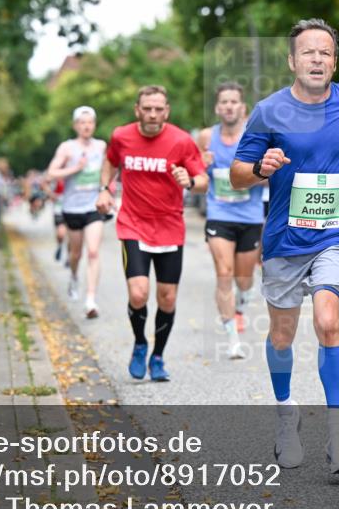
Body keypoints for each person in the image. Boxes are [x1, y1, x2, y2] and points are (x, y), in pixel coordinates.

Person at [230, 19, 339, 474]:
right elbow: (237, 173)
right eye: (308, 52)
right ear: (292, 61)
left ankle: (338, 436)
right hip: (285, 238)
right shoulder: (269, 112)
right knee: (282, 335)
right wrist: (261, 168)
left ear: (335, 61)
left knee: (328, 320)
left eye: (325, 53)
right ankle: (287, 414)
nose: (317, 60)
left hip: (335, 235)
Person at [96, 86, 208, 382]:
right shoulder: (121, 136)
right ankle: (139, 343)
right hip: (132, 223)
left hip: (170, 226)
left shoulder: (182, 141)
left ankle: (157, 356)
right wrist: (105, 189)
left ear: (166, 111)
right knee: (138, 292)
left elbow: (204, 181)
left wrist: (190, 180)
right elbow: (110, 160)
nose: (153, 114)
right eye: (147, 108)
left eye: (158, 109)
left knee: (167, 298)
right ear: (137, 110)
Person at [197, 82, 264, 360]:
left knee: (244, 279)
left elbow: (269, 171)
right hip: (219, 215)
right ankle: (232, 339)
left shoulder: (256, 135)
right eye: (223, 102)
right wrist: (200, 163)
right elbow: (196, 177)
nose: (228, 106)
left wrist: (251, 174)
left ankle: (241, 304)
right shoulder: (205, 137)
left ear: (243, 107)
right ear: (217, 107)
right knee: (224, 273)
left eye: (234, 101)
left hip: (250, 216)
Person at [46, 106, 109, 319]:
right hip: (72, 208)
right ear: (75, 126)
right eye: (82, 122)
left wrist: (107, 191)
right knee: (76, 254)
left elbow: (109, 170)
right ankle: (73, 275)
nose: (86, 126)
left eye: (90, 122)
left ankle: (91, 300)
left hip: (93, 207)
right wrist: (75, 169)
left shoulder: (101, 146)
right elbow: (52, 172)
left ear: (94, 124)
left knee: (93, 252)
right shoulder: (67, 148)